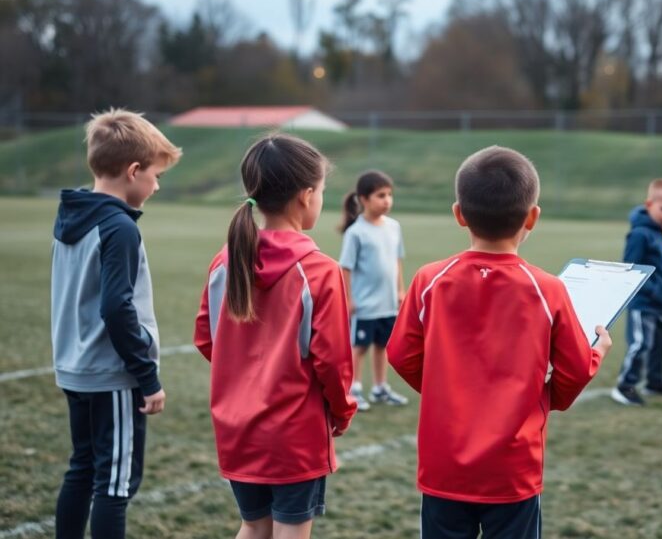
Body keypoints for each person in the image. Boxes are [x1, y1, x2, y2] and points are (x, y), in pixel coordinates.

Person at [387, 146, 611, 539]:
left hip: (445, 465)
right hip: (513, 468)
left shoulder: (429, 280)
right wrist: (593, 356)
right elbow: (574, 370)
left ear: (458, 213)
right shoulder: (549, 290)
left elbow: (401, 355)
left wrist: (446, 394)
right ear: (533, 218)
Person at [193, 134, 357, 539]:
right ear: (305, 196)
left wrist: (245, 381)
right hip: (294, 436)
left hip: (236, 428)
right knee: (288, 530)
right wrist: (341, 411)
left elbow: (206, 337)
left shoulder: (224, 259)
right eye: (321, 191)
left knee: (253, 526)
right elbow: (333, 360)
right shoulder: (319, 271)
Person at [51, 109, 181, 539]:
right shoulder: (118, 226)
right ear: (132, 172)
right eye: (156, 175)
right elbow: (115, 307)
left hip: (75, 369)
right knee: (114, 485)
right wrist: (147, 375)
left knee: (82, 469)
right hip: (112, 376)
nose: (158, 185)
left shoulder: (71, 216)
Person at [339, 170, 408, 410]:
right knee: (359, 348)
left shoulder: (394, 227)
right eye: (380, 195)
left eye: (389, 195)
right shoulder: (355, 232)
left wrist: (400, 290)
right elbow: (345, 268)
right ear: (364, 199)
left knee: (383, 346)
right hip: (365, 305)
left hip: (387, 303)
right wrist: (349, 299)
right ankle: (354, 389)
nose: (387, 200)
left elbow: (397, 260)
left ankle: (380, 388)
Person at [612, 178, 662, 406]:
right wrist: (654, 291)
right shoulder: (639, 234)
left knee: (661, 342)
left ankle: (655, 381)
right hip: (643, 304)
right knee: (641, 344)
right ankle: (625, 385)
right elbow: (630, 269)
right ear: (649, 204)